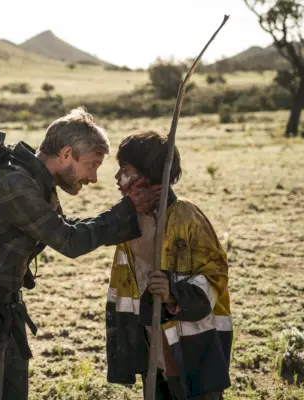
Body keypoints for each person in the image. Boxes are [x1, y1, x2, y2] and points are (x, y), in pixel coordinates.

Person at [0, 108, 160, 400]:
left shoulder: (37, 182)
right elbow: (68, 240)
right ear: (66, 154)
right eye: (91, 165)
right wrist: (126, 210)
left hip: (1, 307)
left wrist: (123, 213)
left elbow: (64, 228)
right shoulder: (15, 183)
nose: (93, 178)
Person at [105, 129, 233, 400]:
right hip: (151, 342)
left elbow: (216, 273)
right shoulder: (129, 218)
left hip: (190, 343)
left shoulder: (186, 216)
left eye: (125, 170)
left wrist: (174, 292)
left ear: (150, 178)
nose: (117, 179)